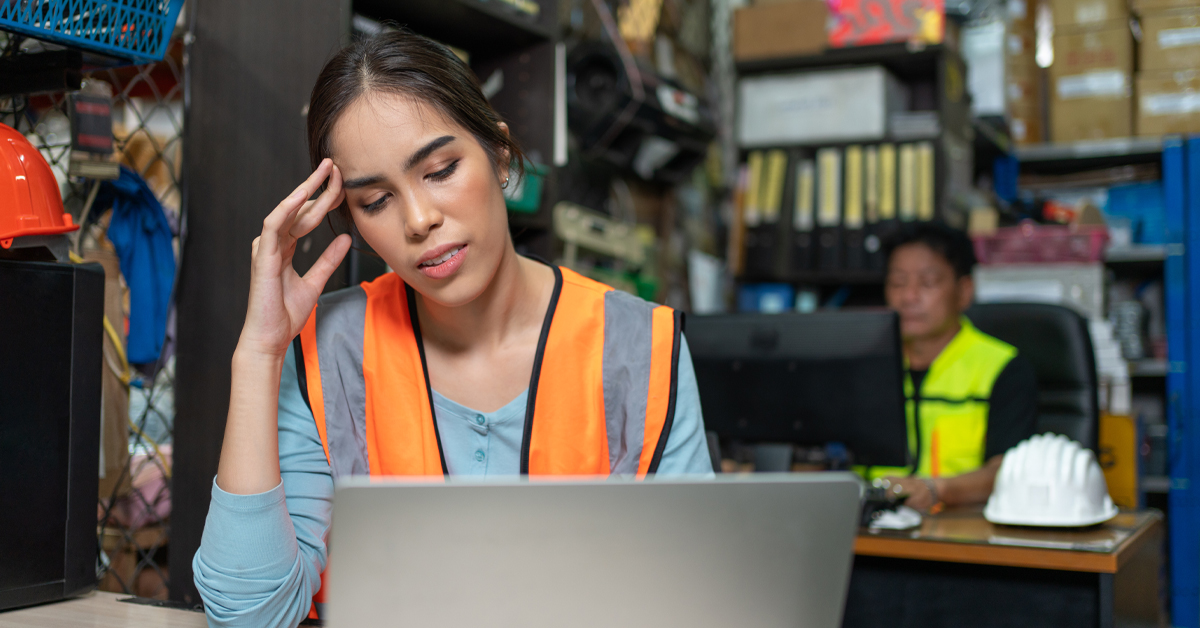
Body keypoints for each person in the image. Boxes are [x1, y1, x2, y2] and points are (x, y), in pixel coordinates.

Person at [192, 30, 713, 628]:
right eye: (377, 200)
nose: (419, 220)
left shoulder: (640, 348)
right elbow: (249, 616)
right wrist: (259, 353)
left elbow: (690, 601)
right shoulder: (323, 349)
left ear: (498, 152)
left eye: (440, 170)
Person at [867, 222, 1038, 512]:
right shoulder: (865, 365)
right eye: (897, 283)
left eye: (928, 283)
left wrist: (937, 489)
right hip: (871, 528)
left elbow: (1008, 471)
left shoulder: (1002, 367)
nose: (908, 297)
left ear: (964, 291)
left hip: (964, 530)